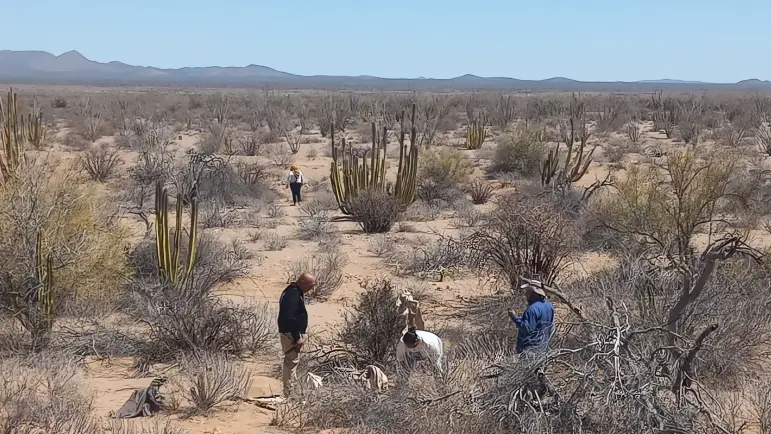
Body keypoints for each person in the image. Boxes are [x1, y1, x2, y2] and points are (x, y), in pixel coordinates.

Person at [277, 273, 317, 396]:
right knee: (291, 362)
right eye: (310, 286)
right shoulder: (292, 294)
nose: (311, 289)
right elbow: (289, 317)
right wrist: (297, 337)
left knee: (292, 361)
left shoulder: (293, 291)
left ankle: (290, 390)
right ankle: (289, 392)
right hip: (291, 333)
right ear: (303, 282)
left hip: (290, 332)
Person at [508, 283, 554, 354]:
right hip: (544, 346)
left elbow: (527, 329)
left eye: (528, 292)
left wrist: (514, 318)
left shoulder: (532, 309)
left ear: (534, 294)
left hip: (531, 348)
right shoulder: (549, 306)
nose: (526, 294)